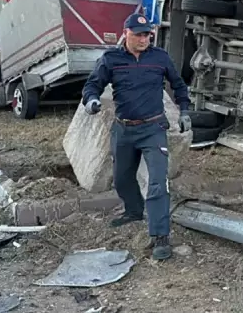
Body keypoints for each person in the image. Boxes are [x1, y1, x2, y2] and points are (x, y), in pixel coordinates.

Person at [81, 13, 192, 260]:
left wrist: (184, 111)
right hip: (123, 129)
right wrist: (91, 100)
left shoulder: (160, 58)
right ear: (126, 33)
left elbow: (179, 85)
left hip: (153, 129)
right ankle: (133, 211)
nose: (144, 40)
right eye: (138, 35)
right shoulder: (111, 59)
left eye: (147, 35)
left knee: (157, 181)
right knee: (122, 178)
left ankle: (160, 236)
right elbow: (92, 85)